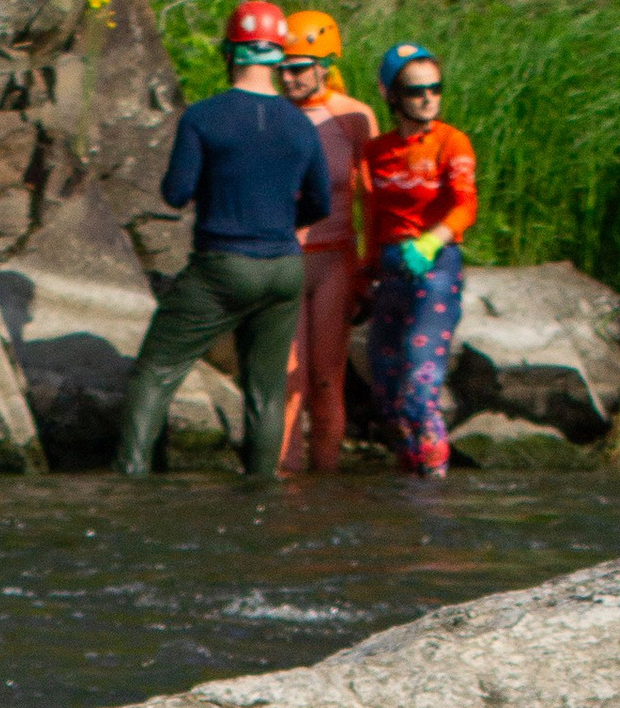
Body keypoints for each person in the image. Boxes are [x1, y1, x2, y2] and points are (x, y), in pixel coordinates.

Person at [114, 0, 331, 482]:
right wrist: (276, 219)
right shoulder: (301, 124)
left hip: (222, 266)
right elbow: (321, 202)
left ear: (230, 51)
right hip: (284, 268)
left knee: (156, 372)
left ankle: (129, 485)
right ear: (278, 54)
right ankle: (259, 496)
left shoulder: (204, 117)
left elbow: (175, 194)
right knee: (266, 391)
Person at [353, 41, 475, 477]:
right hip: (390, 271)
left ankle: (435, 486)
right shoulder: (376, 151)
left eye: (435, 89)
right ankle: (412, 475)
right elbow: (371, 214)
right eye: (415, 91)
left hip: (436, 268)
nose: (427, 98)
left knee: (420, 384)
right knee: (385, 388)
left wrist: (431, 242)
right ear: (391, 96)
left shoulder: (451, 141)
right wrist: (364, 273)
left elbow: (466, 205)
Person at [278, 13, 375, 474]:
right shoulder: (272, 116)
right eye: (283, 67)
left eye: (299, 67)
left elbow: (372, 201)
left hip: (336, 259)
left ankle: (326, 479)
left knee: (325, 379)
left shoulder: (353, 118)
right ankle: (283, 477)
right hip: (284, 260)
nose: (289, 77)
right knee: (286, 378)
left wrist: (368, 269)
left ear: (324, 65)